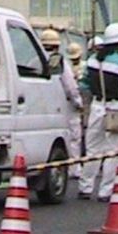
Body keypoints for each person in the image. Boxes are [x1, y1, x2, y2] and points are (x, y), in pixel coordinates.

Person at [77, 22, 118, 202]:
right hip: (116, 108)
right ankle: (105, 191)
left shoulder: (93, 60)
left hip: (97, 105)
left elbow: (84, 83)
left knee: (92, 148)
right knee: (112, 150)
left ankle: (85, 187)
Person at [40, 29, 84, 177]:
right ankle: (74, 168)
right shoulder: (61, 63)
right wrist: (78, 103)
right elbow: (71, 87)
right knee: (73, 137)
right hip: (64, 106)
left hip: (42, 107)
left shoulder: (35, 61)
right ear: (57, 46)